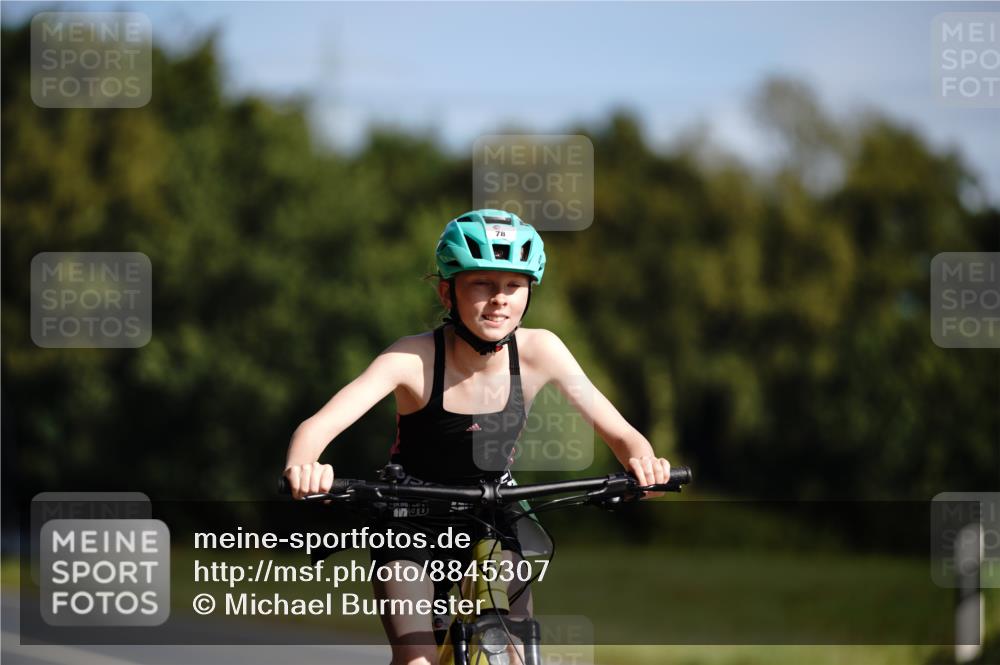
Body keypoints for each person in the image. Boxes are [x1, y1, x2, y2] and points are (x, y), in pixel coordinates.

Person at [284, 209, 673, 665]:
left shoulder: (540, 350)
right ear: (447, 291)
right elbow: (315, 429)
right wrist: (305, 466)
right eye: (482, 284)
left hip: (493, 515)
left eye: (513, 286)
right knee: (417, 661)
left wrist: (643, 462)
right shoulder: (412, 359)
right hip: (412, 518)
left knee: (514, 652)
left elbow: (623, 434)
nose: (499, 300)